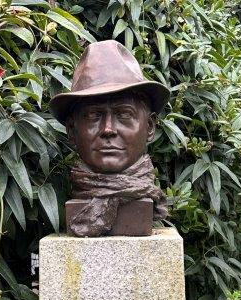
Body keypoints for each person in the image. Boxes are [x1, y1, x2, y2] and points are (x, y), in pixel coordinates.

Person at [50, 40, 170, 237]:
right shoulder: (77, 199)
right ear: (71, 130)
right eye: (93, 116)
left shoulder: (145, 199)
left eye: (124, 114)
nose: (108, 129)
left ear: (149, 127)